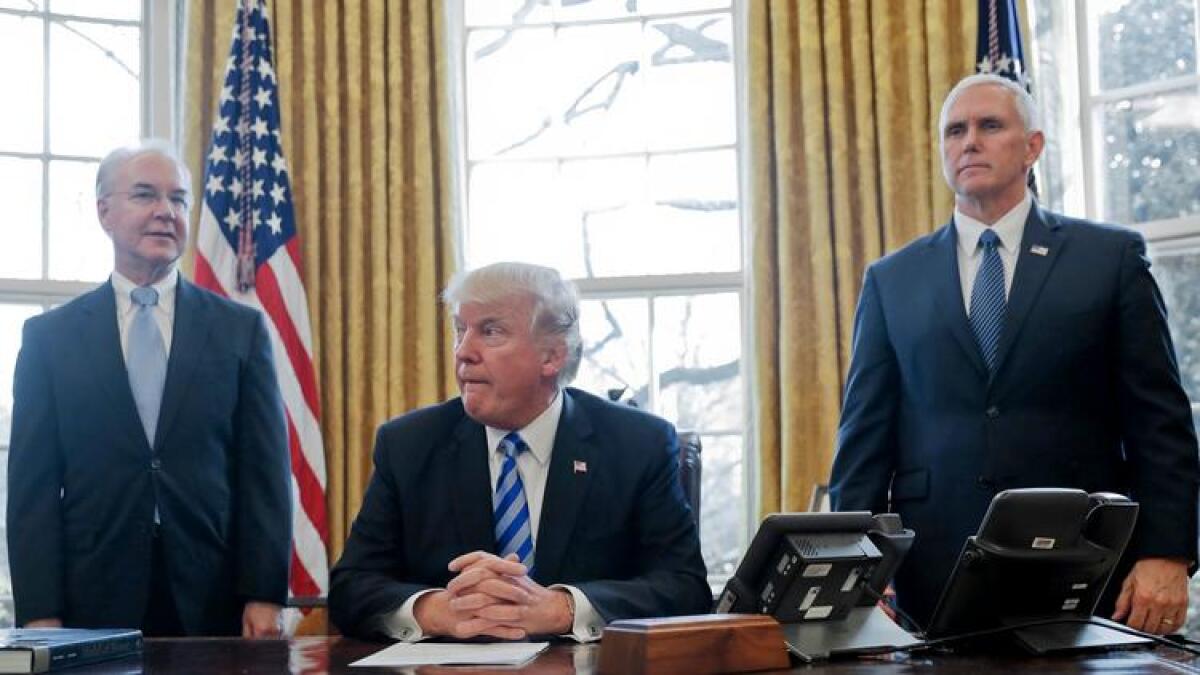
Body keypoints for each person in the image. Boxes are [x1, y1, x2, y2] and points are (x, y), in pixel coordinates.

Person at [829, 73, 1199, 634]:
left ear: (1032, 147)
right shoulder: (891, 280)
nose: (968, 141)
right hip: (935, 576)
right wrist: (854, 566)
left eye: (989, 126)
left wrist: (1168, 554)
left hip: (1085, 564)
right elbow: (863, 442)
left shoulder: (1109, 259)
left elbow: (1160, 423)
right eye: (954, 131)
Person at [328, 262, 710, 641]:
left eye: (490, 331)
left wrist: (564, 608)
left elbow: (684, 587)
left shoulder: (636, 443)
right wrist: (435, 610)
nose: (463, 351)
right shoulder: (409, 444)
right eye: (460, 330)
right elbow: (351, 587)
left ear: (552, 357)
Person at [7, 141, 292, 637]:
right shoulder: (49, 338)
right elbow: (31, 489)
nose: (166, 212)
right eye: (145, 195)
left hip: (213, 593)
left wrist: (265, 592)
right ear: (105, 212)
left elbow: (264, 474)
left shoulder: (238, 330)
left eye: (178, 199)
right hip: (89, 597)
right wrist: (39, 610)